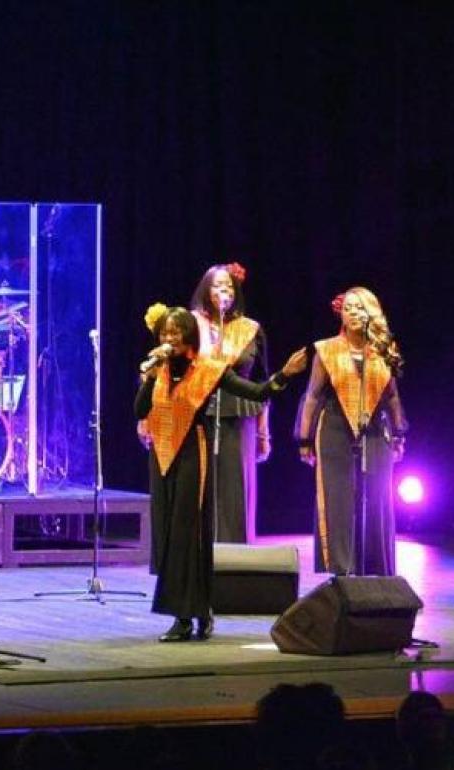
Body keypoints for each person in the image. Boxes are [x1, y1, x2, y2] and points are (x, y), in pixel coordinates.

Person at [135, 304, 306, 642]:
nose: (169, 338)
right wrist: (149, 378)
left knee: (189, 533)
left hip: (192, 455)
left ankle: (187, 616)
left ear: (188, 338)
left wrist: (284, 374)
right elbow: (140, 409)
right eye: (165, 333)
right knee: (169, 533)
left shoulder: (209, 370)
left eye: (175, 333)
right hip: (162, 455)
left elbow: (256, 393)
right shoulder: (160, 371)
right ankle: (196, 612)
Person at [296, 287, 407, 576]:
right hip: (334, 429)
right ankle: (342, 569)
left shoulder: (384, 350)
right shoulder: (327, 349)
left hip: (375, 430)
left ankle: (376, 568)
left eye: (360, 307)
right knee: (338, 497)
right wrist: (305, 439)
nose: (354, 312)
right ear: (341, 315)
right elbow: (312, 395)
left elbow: (392, 396)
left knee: (378, 496)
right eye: (348, 308)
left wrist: (398, 433)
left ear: (372, 311)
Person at [190, 262, 271, 543]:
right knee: (200, 484)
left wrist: (264, 432)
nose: (224, 290)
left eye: (229, 286)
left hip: (240, 416)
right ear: (205, 289)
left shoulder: (250, 329)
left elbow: (263, 384)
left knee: (235, 487)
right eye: (217, 285)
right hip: (198, 415)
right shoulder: (190, 325)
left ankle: (235, 554)